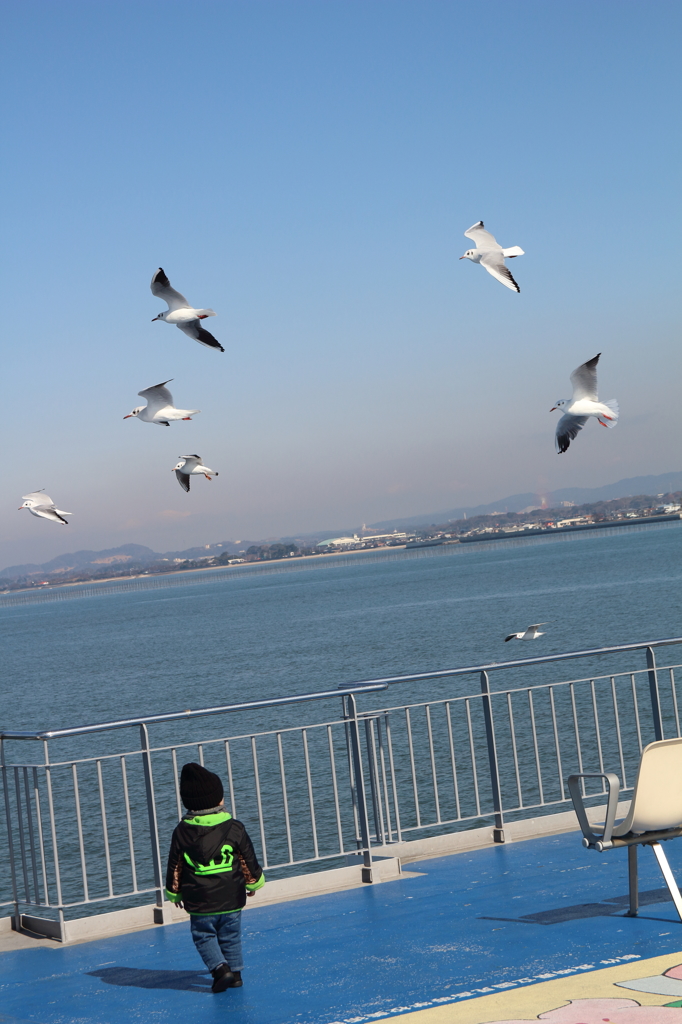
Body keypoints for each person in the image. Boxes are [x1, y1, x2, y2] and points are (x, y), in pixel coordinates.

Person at [165, 762, 265, 992]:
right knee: (231, 934)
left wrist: (174, 893)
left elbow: (175, 866)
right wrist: (253, 882)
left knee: (204, 935)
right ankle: (236, 973)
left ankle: (220, 970)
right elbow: (247, 859)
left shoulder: (181, 832)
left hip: (199, 900)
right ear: (219, 800)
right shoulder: (235, 827)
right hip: (232, 896)